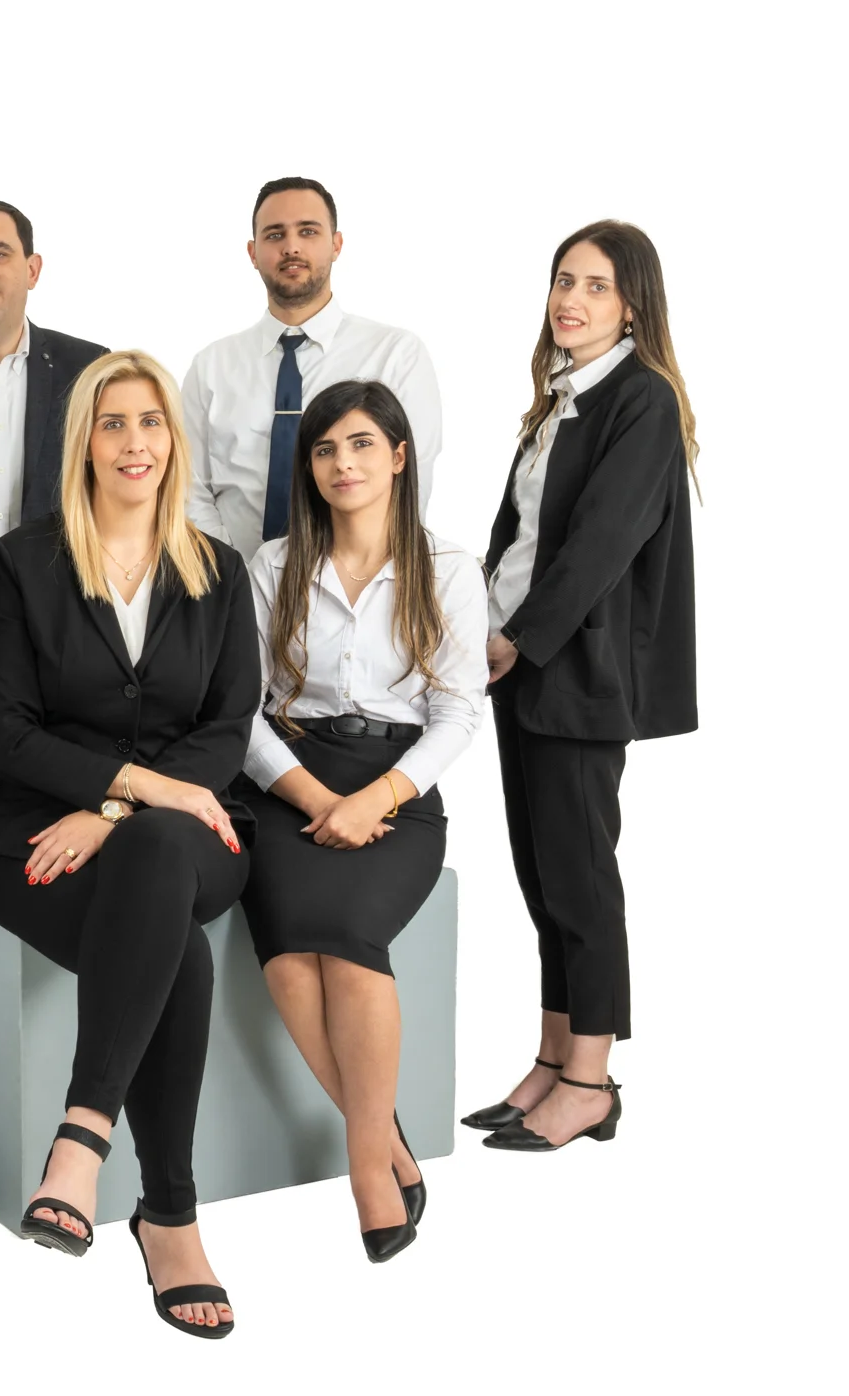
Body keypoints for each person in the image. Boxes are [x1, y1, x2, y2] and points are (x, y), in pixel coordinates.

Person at [0, 349, 255, 1338]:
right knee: (176, 946)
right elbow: (2, 731)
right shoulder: (18, 565)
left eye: (151, 421)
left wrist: (118, 811)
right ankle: (169, 1215)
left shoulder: (218, 571)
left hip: (189, 835)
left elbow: (226, 729)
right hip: (32, 838)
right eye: (112, 422)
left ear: (174, 439)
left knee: (159, 855)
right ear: (83, 442)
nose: (135, 442)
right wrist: (133, 787)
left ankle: (81, 1136)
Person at [235, 380, 486, 1263]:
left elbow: (460, 710)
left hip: (397, 788)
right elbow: (242, 711)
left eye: (361, 444)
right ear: (309, 467)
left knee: (345, 941)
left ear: (399, 456)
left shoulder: (447, 567)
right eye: (325, 449)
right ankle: (386, 1148)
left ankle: (364, 1166)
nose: (343, 463)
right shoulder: (273, 566)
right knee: (287, 950)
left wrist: (375, 799)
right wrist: (313, 798)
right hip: (288, 780)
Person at [463, 220, 698, 1151]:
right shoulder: (562, 396)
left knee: (582, 880)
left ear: (632, 304)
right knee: (541, 873)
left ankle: (591, 1082)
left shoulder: (641, 398)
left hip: (574, 671)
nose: (571, 299)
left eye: (596, 286)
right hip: (519, 664)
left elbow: (600, 545)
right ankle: (553, 1056)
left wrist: (516, 640)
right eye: (565, 280)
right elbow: (522, 540)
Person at [0, 198, 108, 876]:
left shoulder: (91, 371)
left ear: (32, 269)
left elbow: (113, 503)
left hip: (62, 649)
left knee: (48, 839)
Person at [181, 177, 443, 560]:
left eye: (308, 231)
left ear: (336, 244)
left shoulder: (395, 355)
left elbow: (410, 486)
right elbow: (187, 488)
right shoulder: (211, 367)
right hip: (233, 579)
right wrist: (232, 575)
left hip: (357, 581)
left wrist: (353, 579)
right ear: (253, 252)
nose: (291, 247)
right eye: (275, 235)